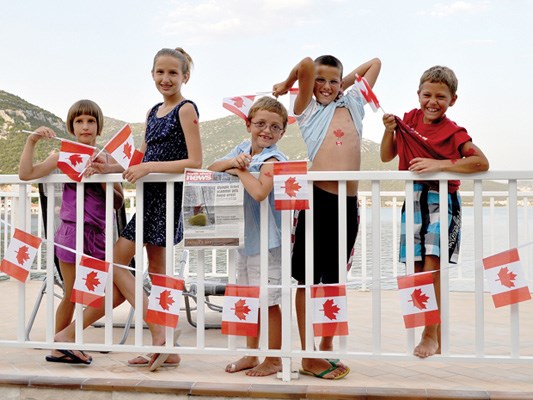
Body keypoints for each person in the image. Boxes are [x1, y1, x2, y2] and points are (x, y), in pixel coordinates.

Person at [52, 47, 202, 368]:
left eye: (173, 73)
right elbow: (139, 159)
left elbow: (195, 161)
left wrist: (148, 169)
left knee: (119, 263)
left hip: (166, 197)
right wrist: (107, 169)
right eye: (160, 72)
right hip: (150, 197)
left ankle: (158, 337)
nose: (166, 78)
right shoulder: (152, 112)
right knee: (155, 275)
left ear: (185, 76)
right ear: (152, 75)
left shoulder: (186, 110)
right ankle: (165, 344)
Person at [272, 55, 381, 379]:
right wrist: (287, 81)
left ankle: (325, 347)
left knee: (335, 279)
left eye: (334, 81)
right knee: (306, 279)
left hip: (347, 204)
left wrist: (341, 86)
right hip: (317, 200)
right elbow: (306, 63)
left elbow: (374, 63)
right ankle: (307, 354)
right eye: (321, 80)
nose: (326, 86)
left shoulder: (354, 103)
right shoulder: (307, 110)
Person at [381, 65, 489, 358]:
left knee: (433, 267)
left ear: (452, 100)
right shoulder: (409, 120)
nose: (432, 101)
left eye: (441, 96)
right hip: (413, 200)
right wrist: (388, 130)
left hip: (443, 199)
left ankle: (430, 336)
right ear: (418, 95)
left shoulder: (453, 131)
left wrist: (440, 164)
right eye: (427, 94)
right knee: (416, 270)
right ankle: (433, 336)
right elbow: (386, 155)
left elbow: (481, 162)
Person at [18, 99, 124, 364]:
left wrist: (103, 177)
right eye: (79, 121)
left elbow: (119, 201)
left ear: (99, 128)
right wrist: (31, 141)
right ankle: (59, 347)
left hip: (98, 235)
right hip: (70, 232)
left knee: (108, 292)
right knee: (71, 293)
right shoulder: (63, 156)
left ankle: (67, 336)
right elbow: (26, 173)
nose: (85, 126)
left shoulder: (107, 158)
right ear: (71, 127)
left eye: (90, 121)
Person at [208, 97, 288, 377]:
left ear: (282, 133)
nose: (266, 130)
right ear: (248, 125)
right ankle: (252, 354)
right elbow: (210, 168)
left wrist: (239, 171)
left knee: (270, 300)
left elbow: (259, 191)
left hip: (268, 242)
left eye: (275, 127)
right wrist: (233, 161)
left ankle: (274, 358)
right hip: (243, 239)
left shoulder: (274, 159)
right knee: (249, 298)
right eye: (261, 124)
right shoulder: (241, 149)